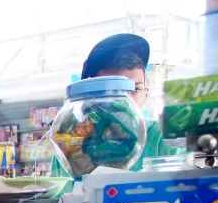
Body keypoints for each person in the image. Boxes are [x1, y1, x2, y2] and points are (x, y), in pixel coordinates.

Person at [51, 33, 175, 176]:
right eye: (111, 92)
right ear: (87, 99)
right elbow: (60, 194)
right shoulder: (69, 141)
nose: (125, 101)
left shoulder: (162, 137)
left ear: (146, 94)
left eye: (136, 89)